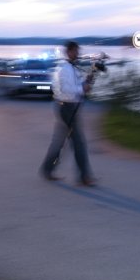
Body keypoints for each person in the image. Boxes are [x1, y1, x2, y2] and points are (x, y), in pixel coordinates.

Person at [40, 41, 96, 186]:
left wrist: (88, 80)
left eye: (78, 51)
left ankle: (47, 170)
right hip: (66, 107)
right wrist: (82, 89)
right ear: (68, 52)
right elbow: (66, 90)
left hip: (69, 107)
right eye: (75, 51)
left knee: (59, 142)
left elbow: (78, 85)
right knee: (78, 143)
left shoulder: (73, 67)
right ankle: (84, 177)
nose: (78, 54)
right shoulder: (64, 69)